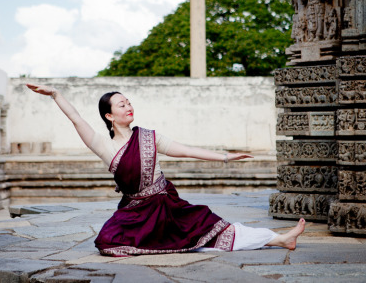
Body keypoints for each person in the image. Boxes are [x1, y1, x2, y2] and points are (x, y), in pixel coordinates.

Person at [26, 84, 306, 256]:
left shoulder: (148, 136)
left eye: (129, 102)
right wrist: (55, 94)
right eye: (122, 105)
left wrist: (225, 157)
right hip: (134, 212)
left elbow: (185, 149)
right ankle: (277, 240)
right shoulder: (102, 145)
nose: (129, 106)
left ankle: (280, 238)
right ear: (109, 116)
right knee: (107, 243)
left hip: (166, 204)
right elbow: (76, 119)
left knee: (213, 229)